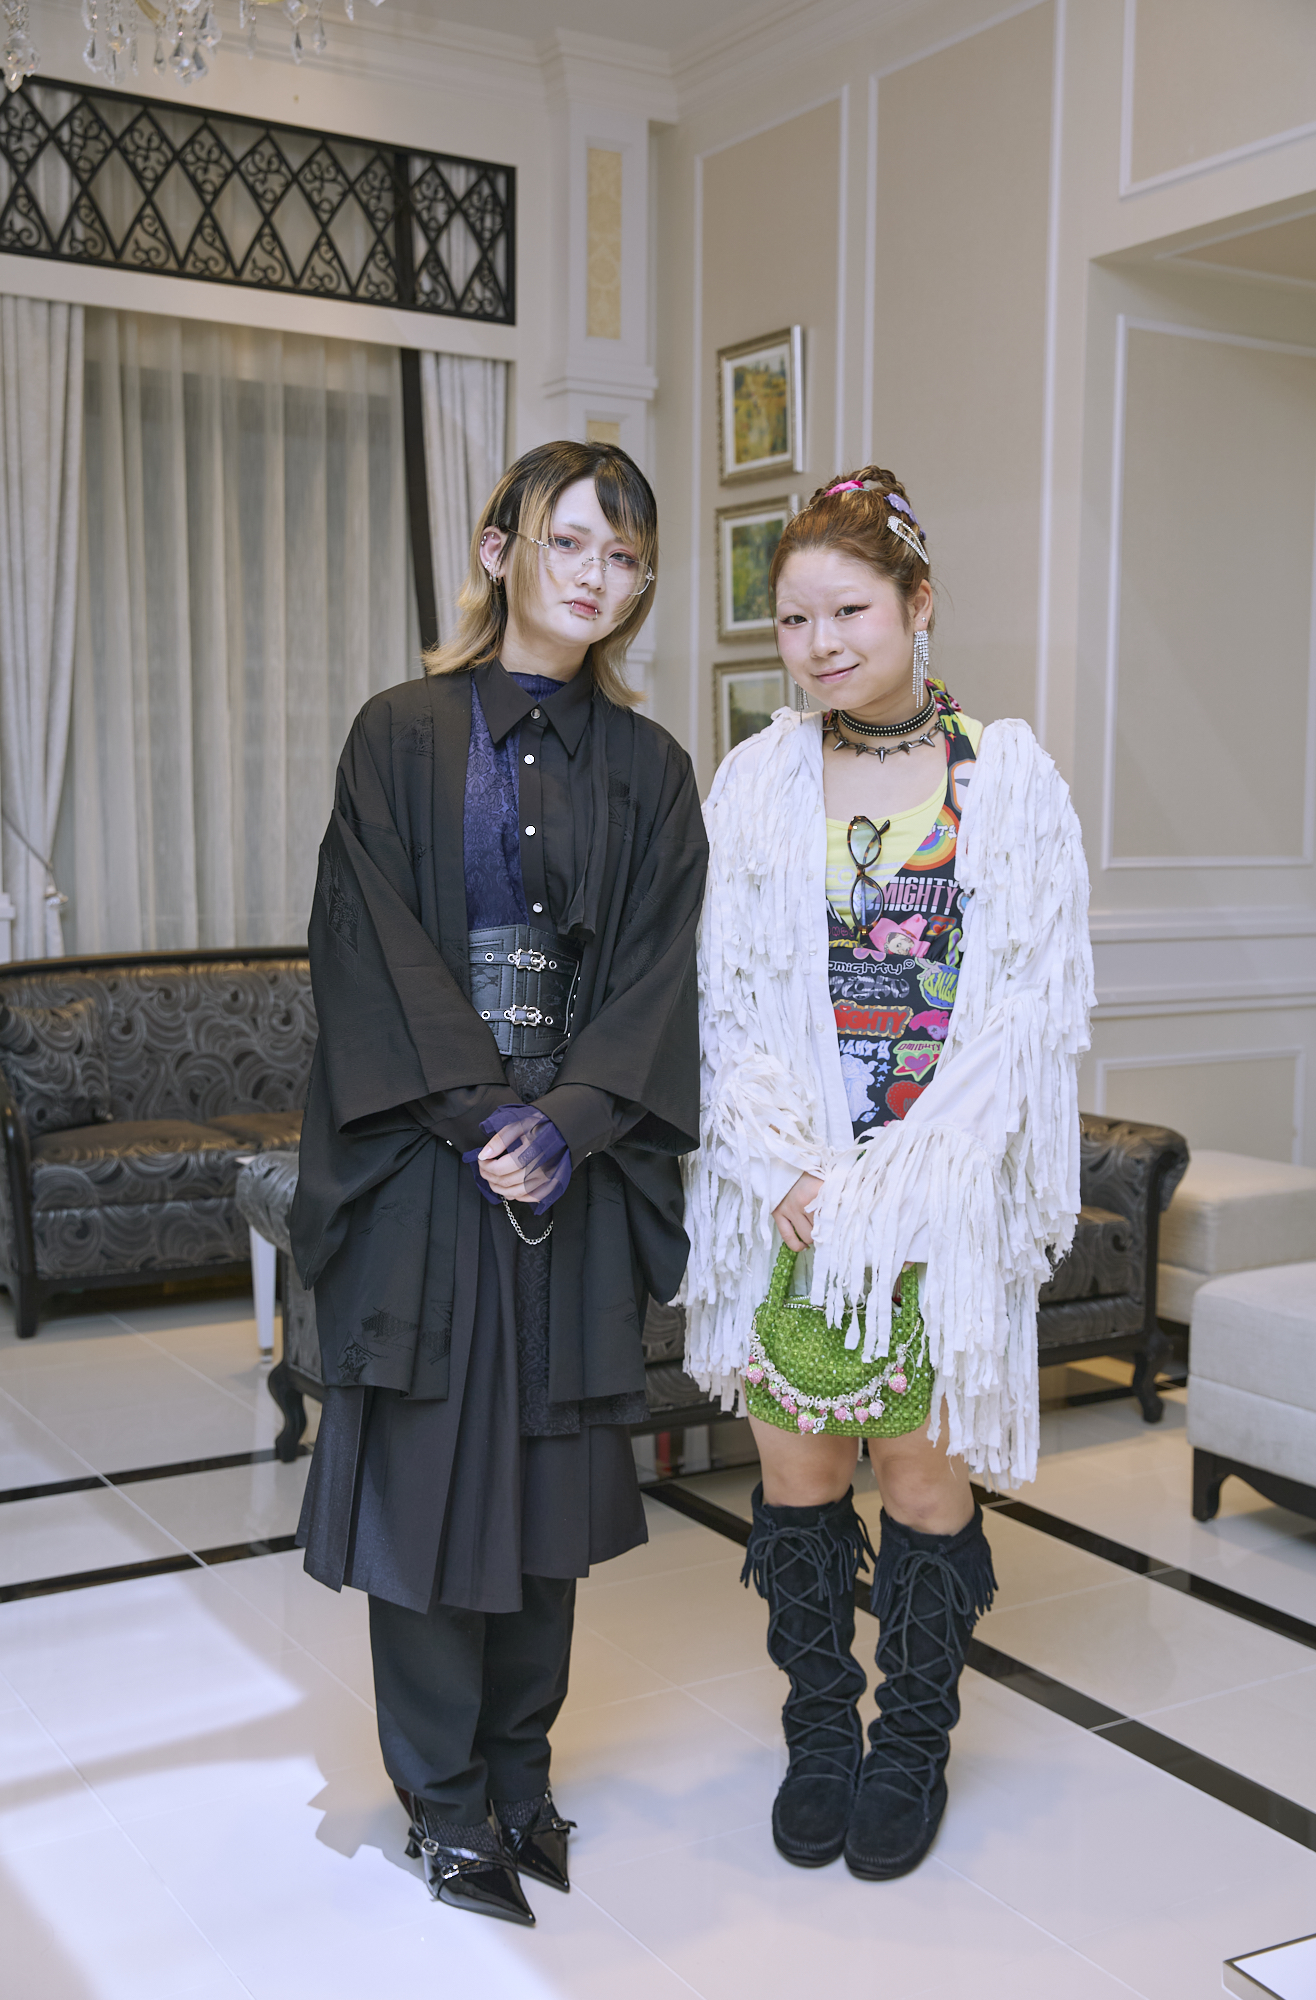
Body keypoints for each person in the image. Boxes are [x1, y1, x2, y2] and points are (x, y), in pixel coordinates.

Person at [291, 440, 708, 1927]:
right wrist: (487, 1116)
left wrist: (575, 1119)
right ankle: (444, 1801)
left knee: (547, 1480)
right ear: (497, 549)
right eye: (571, 542)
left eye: (625, 556)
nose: (599, 577)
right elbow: (368, 945)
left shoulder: (653, 770)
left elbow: (661, 969)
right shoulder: (399, 735)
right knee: (428, 1483)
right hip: (425, 1162)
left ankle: (523, 1779)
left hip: (574, 1172)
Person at [683, 466, 1092, 1882]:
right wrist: (785, 1168)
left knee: (921, 1480)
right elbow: (723, 1000)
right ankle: (818, 1734)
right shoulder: (755, 781)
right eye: (794, 620)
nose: (819, 644)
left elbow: (1024, 1013)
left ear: (917, 604)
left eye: (848, 610)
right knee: (798, 1474)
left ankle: (910, 1742)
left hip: (937, 1200)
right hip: (790, 1197)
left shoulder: (1007, 779)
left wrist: (906, 1186)